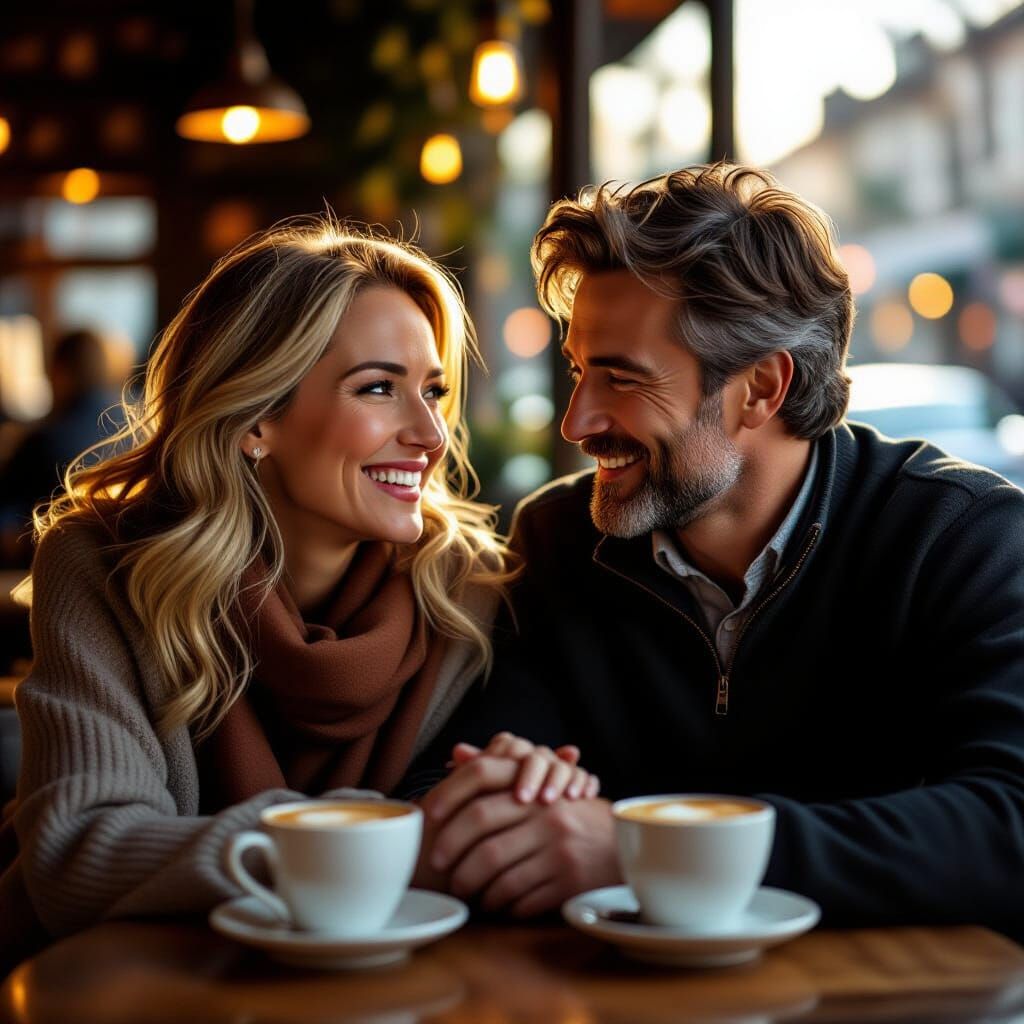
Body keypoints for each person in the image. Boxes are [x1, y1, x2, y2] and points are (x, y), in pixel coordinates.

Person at [410, 163, 1024, 936]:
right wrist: (509, 790)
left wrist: (650, 850)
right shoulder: (559, 541)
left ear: (761, 388)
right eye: (578, 371)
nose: (577, 422)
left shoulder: (960, 538)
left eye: (622, 379)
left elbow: (1008, 828)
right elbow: (464, 787)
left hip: (887, 992)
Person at [0, 218, 596, 971]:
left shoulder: (470, 590)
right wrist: (389, 842)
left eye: (433, 391)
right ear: (257, 418)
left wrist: (529, 791)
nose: (430, 435)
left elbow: (483, 828)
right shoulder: (106, 565)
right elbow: (77, 854)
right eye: (378, 388)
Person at [0, 328, 122, 569]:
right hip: (117, 567)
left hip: (49, 566)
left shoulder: (46, 440)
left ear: (61, 372)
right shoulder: (134, 428)